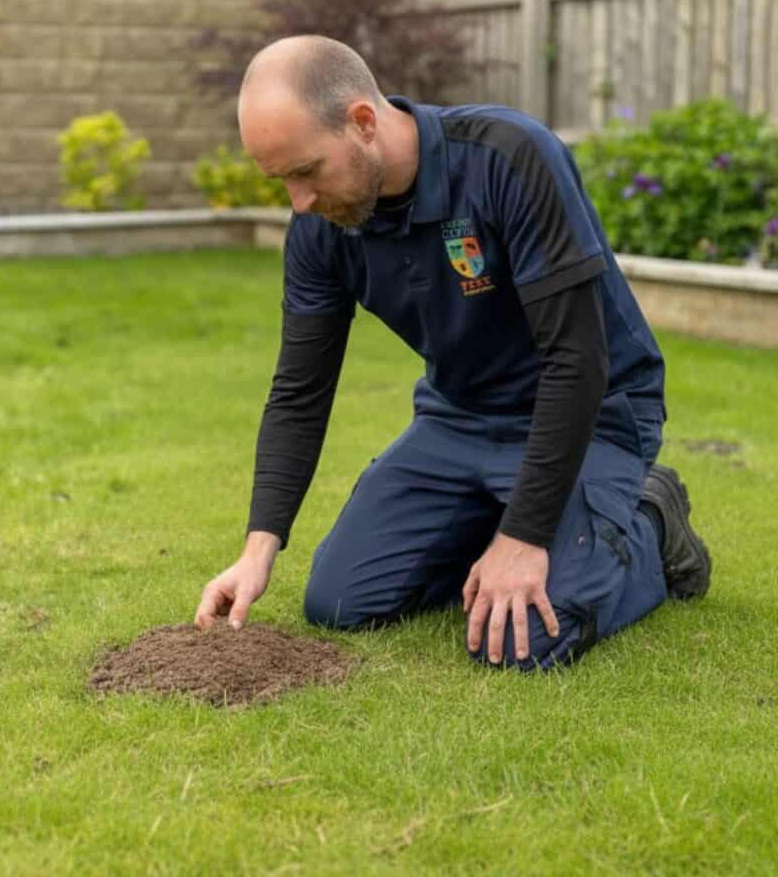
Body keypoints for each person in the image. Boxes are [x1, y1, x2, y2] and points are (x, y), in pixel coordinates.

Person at [193, 34, 711, 671]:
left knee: (529, 640)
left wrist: (524, 538)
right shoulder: (321, 228)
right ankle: (501, 521)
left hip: (595, 413)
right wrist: (258, 548)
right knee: (339, 603)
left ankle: (653, 527)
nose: (299, 202)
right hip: (459, 418)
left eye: (305, 172)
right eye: (281, 181)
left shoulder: (509, 159)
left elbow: (577, 361)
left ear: (362, 122)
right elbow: (301, 390)